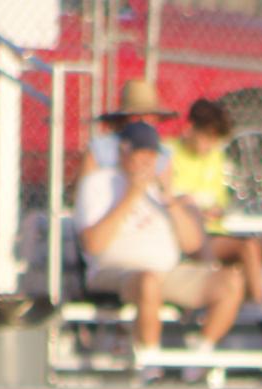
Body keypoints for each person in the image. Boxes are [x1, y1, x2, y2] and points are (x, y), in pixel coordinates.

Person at [75, 121, 245, 368]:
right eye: (141, 153)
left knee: (231, 281)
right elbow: (93, 245)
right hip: (114, 272)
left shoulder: (162, 190)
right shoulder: (99, 184)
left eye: (152, 155)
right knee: (148, 281)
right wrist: (132, 195)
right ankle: (150, 362)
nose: (147, 161)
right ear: (124, 151)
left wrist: (171, 201)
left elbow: (193, 245)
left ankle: (199, 358)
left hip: (166, 272)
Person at [168, 98, 262, 310]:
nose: (211, 146)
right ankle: (258, 308)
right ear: (190, 128)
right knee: (248, 247)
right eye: (207, 138)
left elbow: (220, 201)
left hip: (217, 231)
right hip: (193, 237)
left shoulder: (215, 157)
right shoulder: (168, 153)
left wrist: (218, 210)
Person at [84, 79, 175, 174]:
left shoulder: (162, 153)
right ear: (123, 119)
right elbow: (86, 185)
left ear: (156, 118)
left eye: (148, 115)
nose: (142, 121)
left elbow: (166, 187)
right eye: (136, 116)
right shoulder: (99, 150)